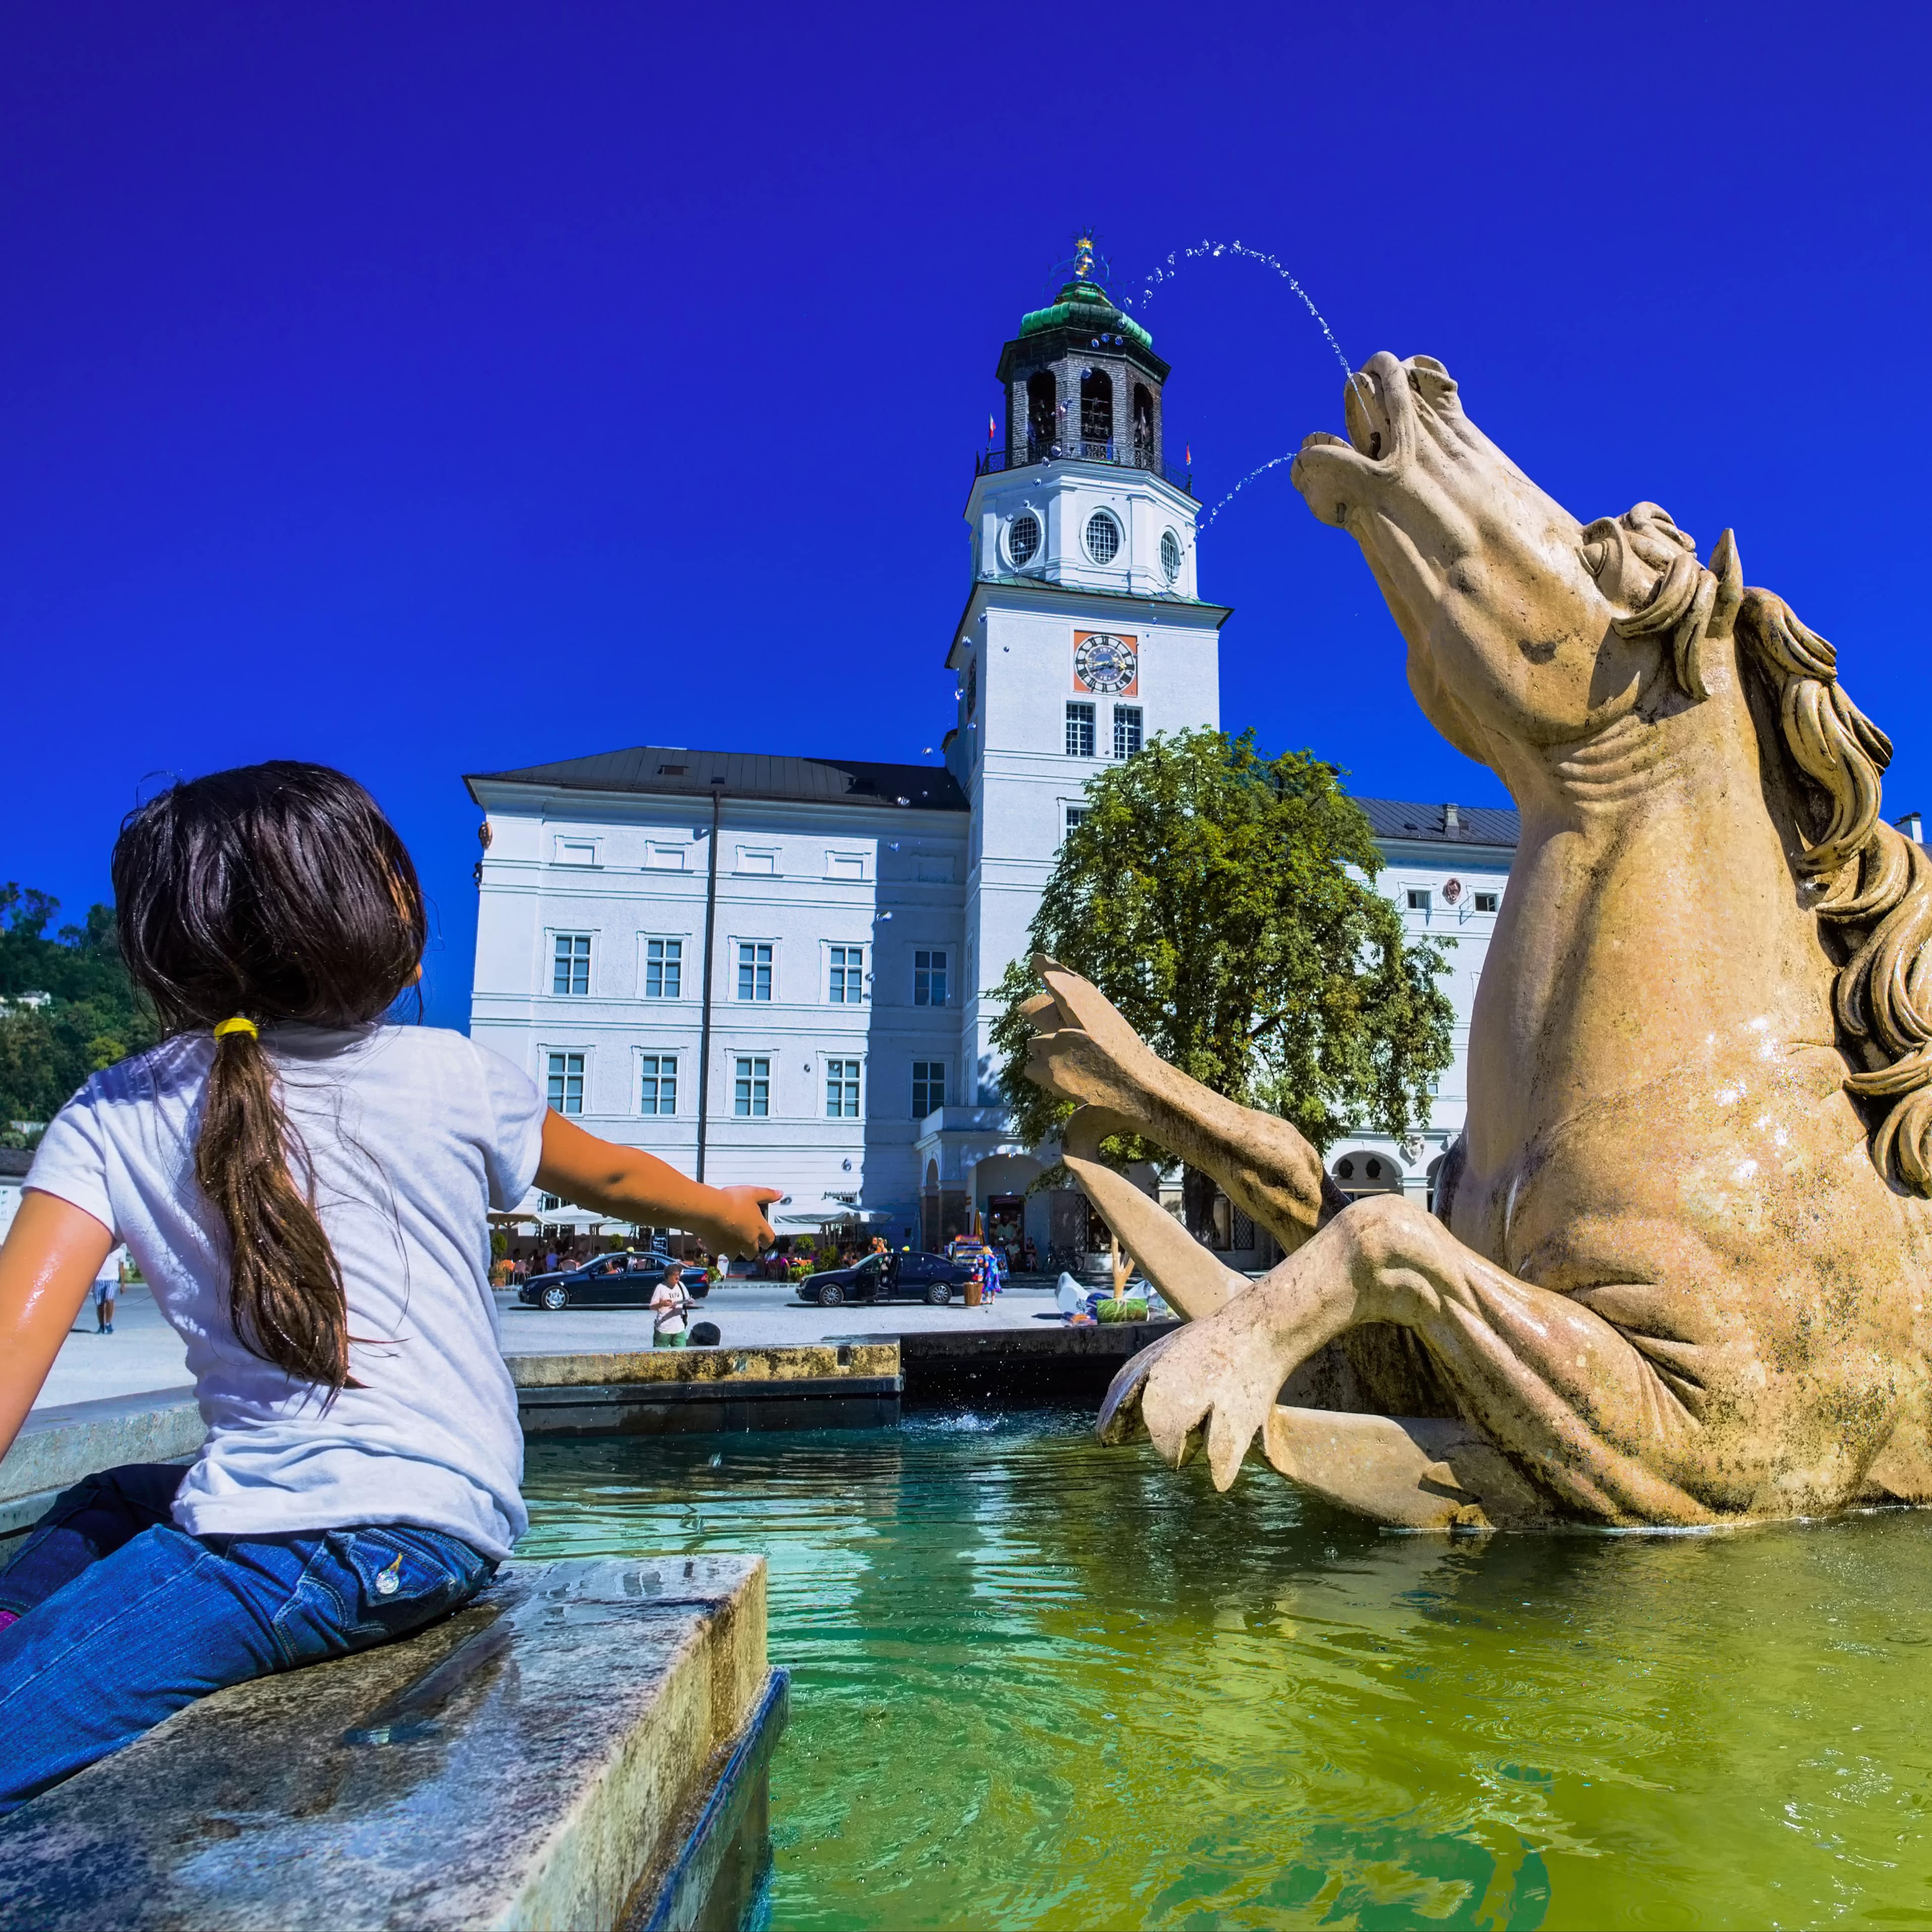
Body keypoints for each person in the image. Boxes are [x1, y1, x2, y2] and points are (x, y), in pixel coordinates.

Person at [0, 761, 780, 1813]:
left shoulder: (115, 1109)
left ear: (163, 945)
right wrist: (728, 1213)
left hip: (292, 1544)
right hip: (445, 1528)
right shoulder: (454, 1069)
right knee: (115, 1494)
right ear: (387, 917)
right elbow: (624, 1179)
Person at [650, 1261, 692, 1349]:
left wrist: (689, 1302)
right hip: (664, 1330)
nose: (678, 1277)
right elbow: (652, 1307)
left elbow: (687, 1299)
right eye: (675, 1275)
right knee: (659, 1356)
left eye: (679, 1275)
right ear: (668, 1276)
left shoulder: (681, 1286)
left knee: (682, 1355)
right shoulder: (661, 1288)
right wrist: (662, 1304)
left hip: (679, 1329)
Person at [90, 1250, 122, 1334]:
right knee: (100, 1304)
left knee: (109, 1299)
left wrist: (123, 1284)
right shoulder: (99, 1249)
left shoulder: (120, 1251)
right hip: (99, 1279)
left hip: (112, 1278)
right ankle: (101, 1326)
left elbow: (121, 1267)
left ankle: (108, 1324)